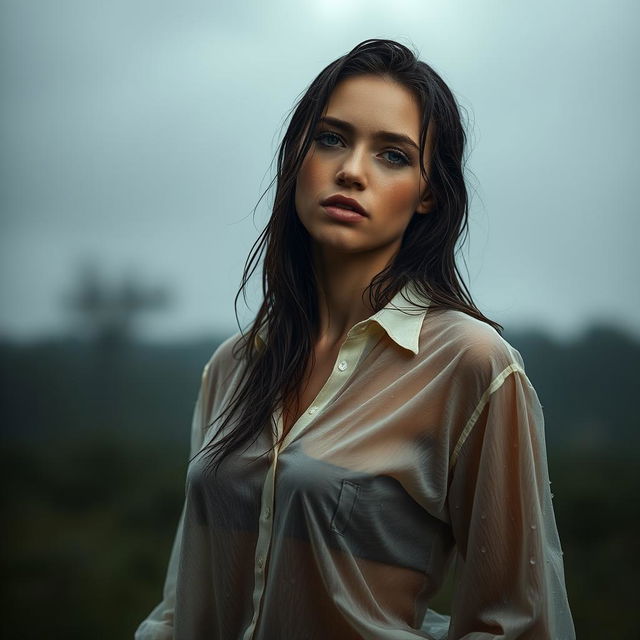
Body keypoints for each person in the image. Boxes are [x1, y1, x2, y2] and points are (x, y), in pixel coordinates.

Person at [135, 38, 576, 639]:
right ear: (298, 157)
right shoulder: (234, 365)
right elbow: (182, 604)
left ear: (429, 193)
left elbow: (519, 622)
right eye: (332, 138)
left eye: (392, 155)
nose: (351, 170)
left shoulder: (472, 365)